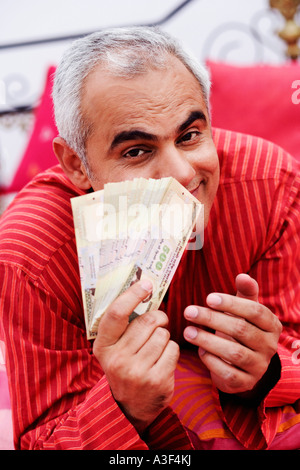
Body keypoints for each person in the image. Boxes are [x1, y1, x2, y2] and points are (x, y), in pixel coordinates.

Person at [0, 26, 299, 451]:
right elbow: (42, 437)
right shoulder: (32, 253)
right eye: (137, 150)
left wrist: (266, 372)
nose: (181, 172)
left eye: (190, 134)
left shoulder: (271, 185)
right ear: (76, 164)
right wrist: (124, 405)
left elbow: (292, 344)